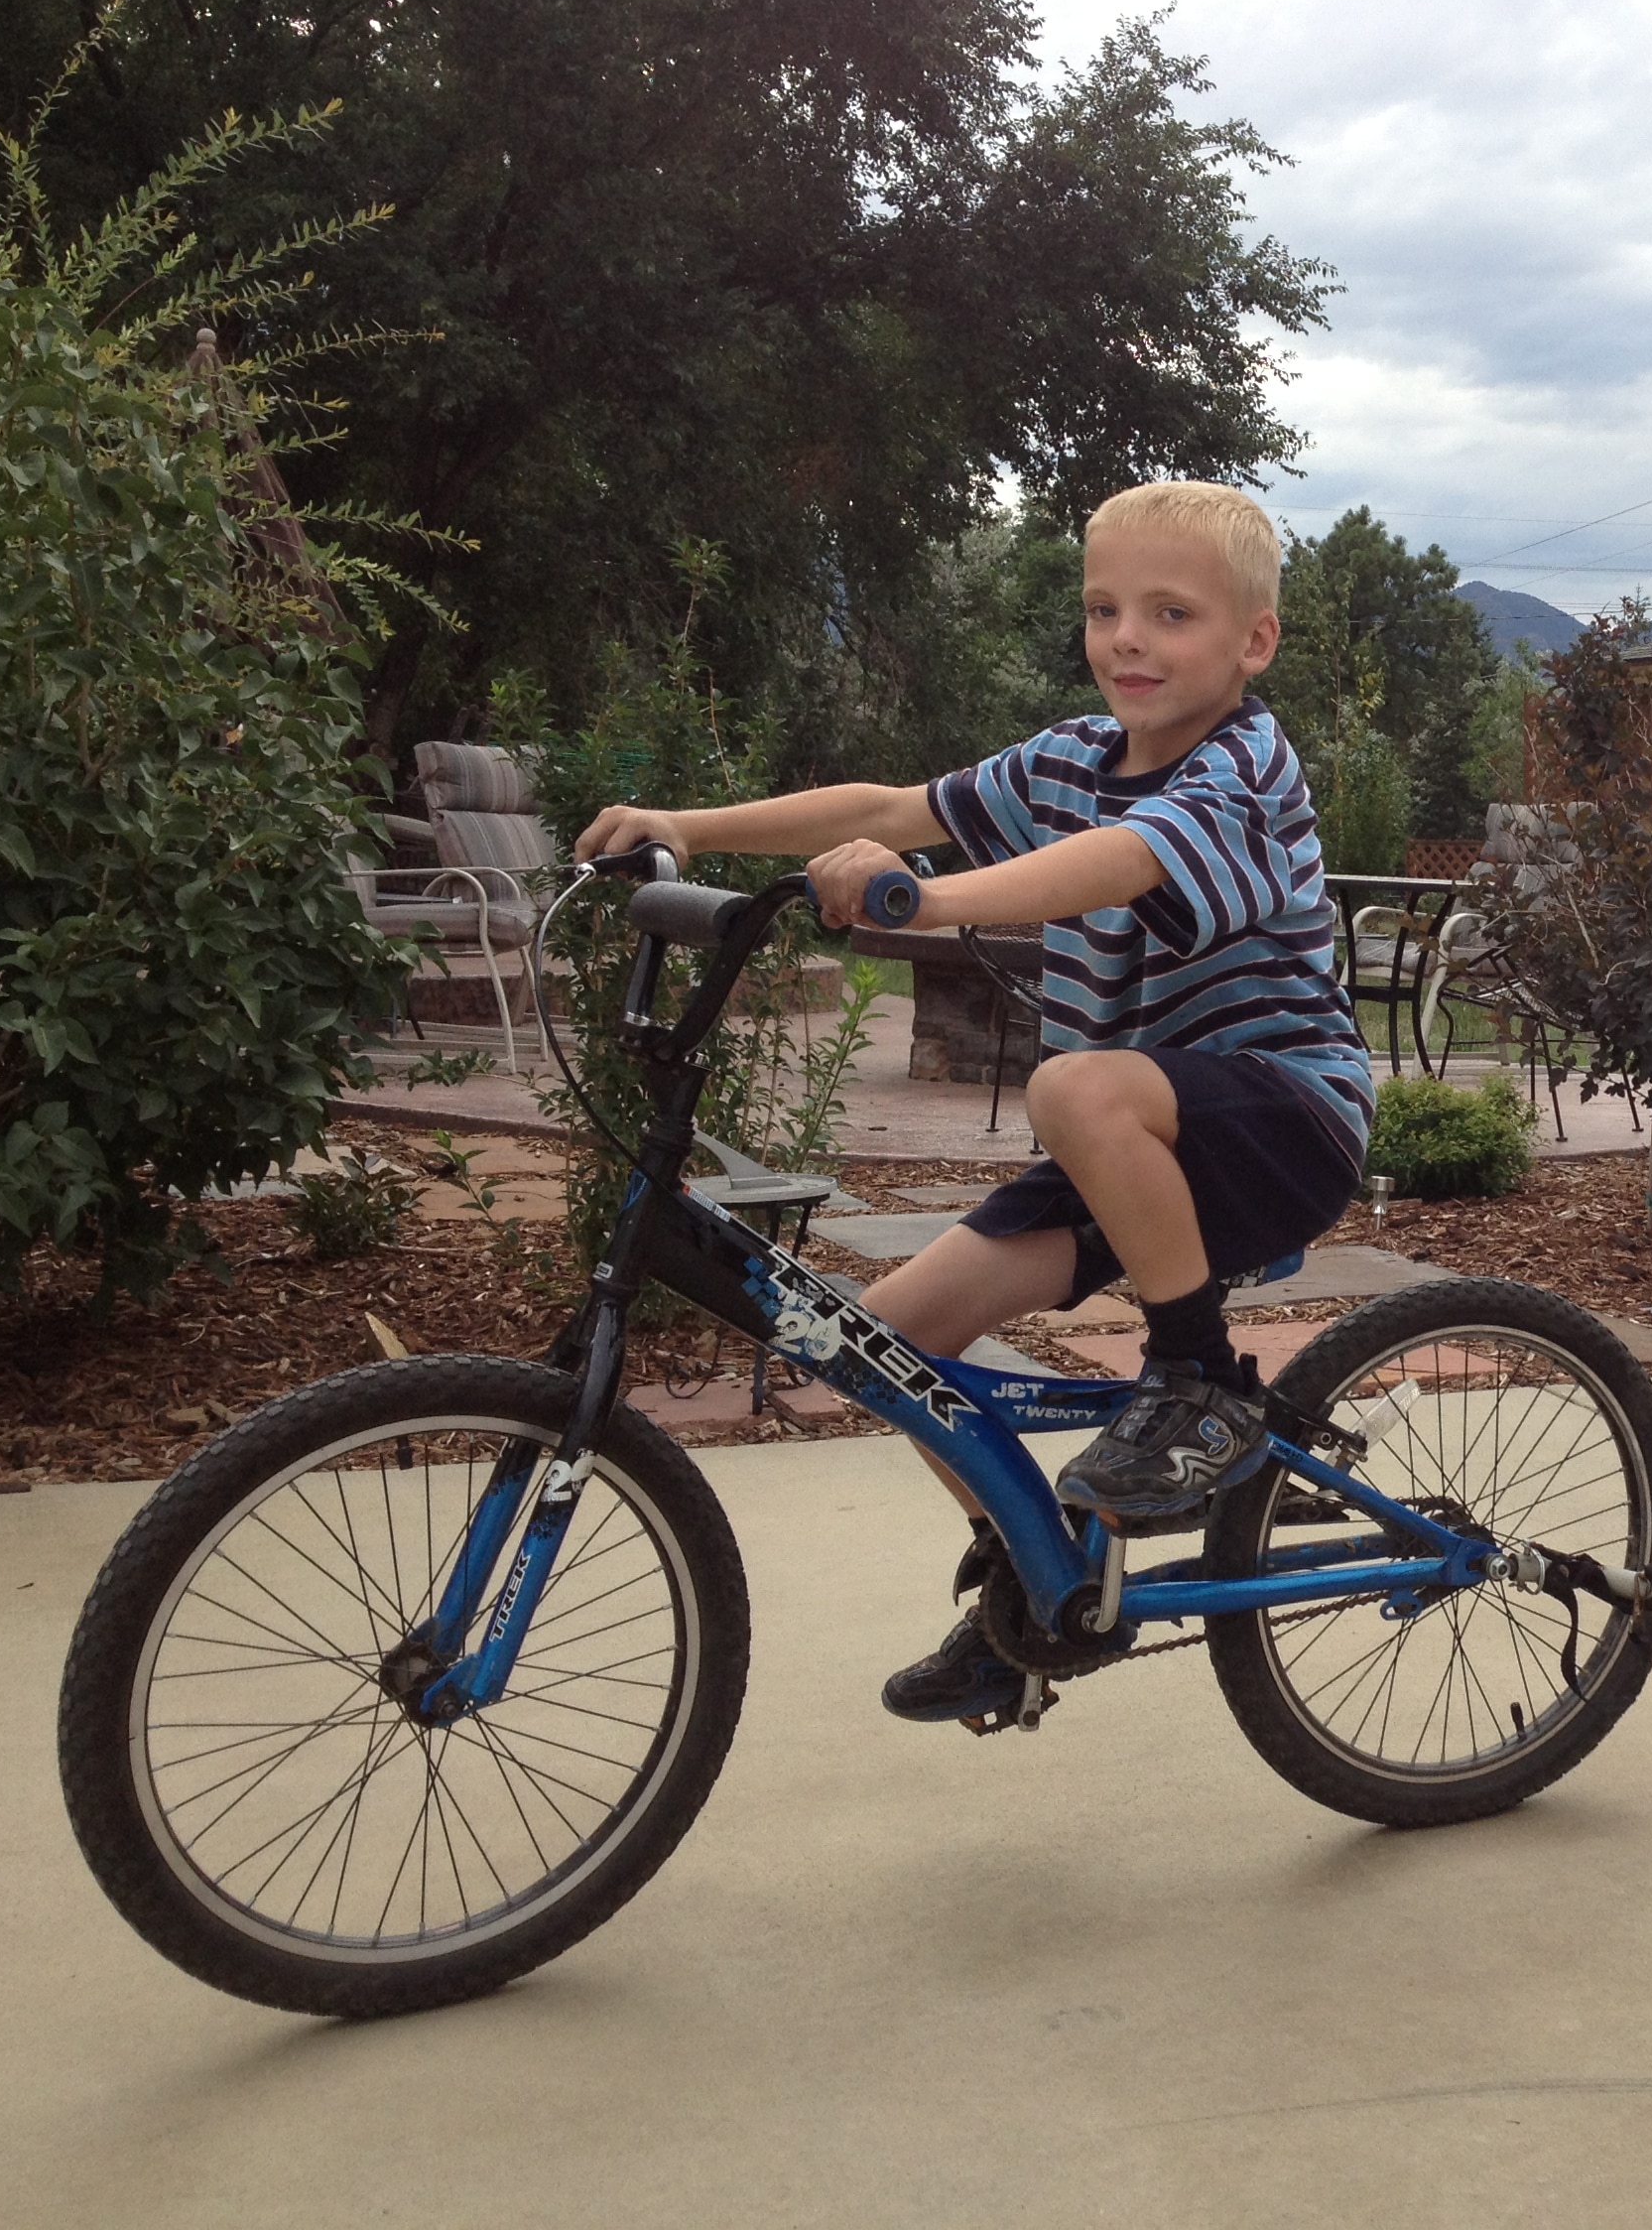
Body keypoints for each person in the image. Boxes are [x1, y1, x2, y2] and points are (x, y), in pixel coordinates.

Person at [573, 480, 1371, 1720]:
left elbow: (1128, 856)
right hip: (1127, 1140)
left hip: (1280, 1119)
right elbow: (890, 810)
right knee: (882, 1341)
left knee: (1072, 1086)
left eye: (1171, 613)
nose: (1128, 640)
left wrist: (931, 900)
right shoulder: (1066, 758)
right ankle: (1036, 1586)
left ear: (1251, 642)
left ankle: (1200, 1380)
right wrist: (690, 823)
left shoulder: (1246, 766)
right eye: (1106, 609)